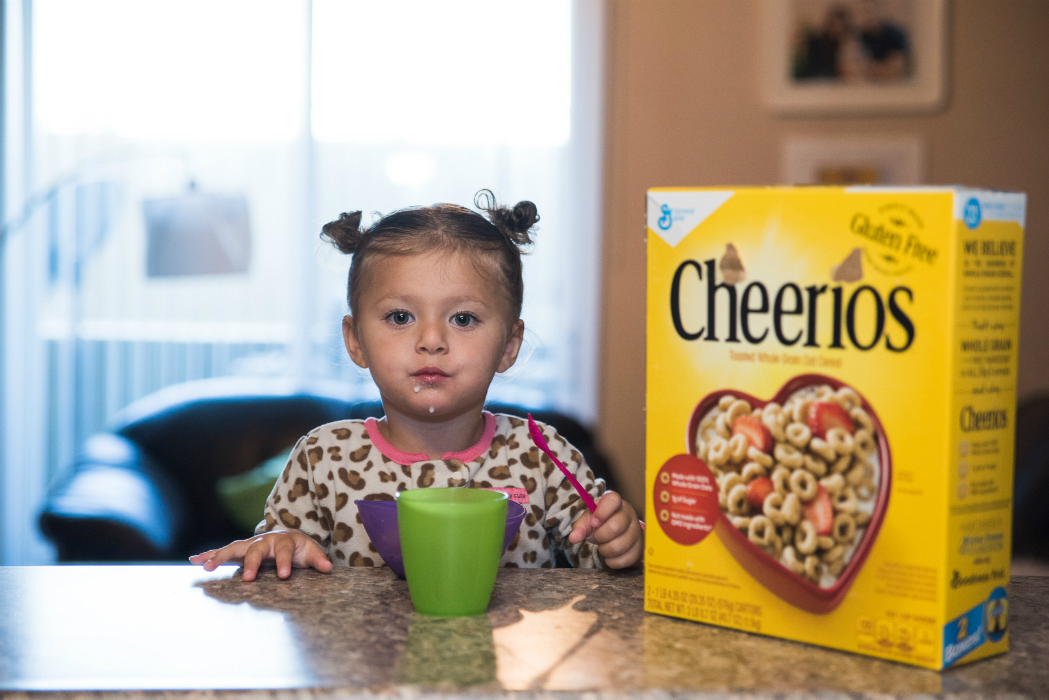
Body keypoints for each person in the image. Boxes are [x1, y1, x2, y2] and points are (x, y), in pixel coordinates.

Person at [190, 191, 644, 580]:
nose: (431, 341)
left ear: (509, 345)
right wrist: (278, 549)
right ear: (356, 341)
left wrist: (618, 540)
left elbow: (599, 561)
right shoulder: (322, 457)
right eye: (400, 317)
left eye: (463, 319)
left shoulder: (543, 453)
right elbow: (278, 552)